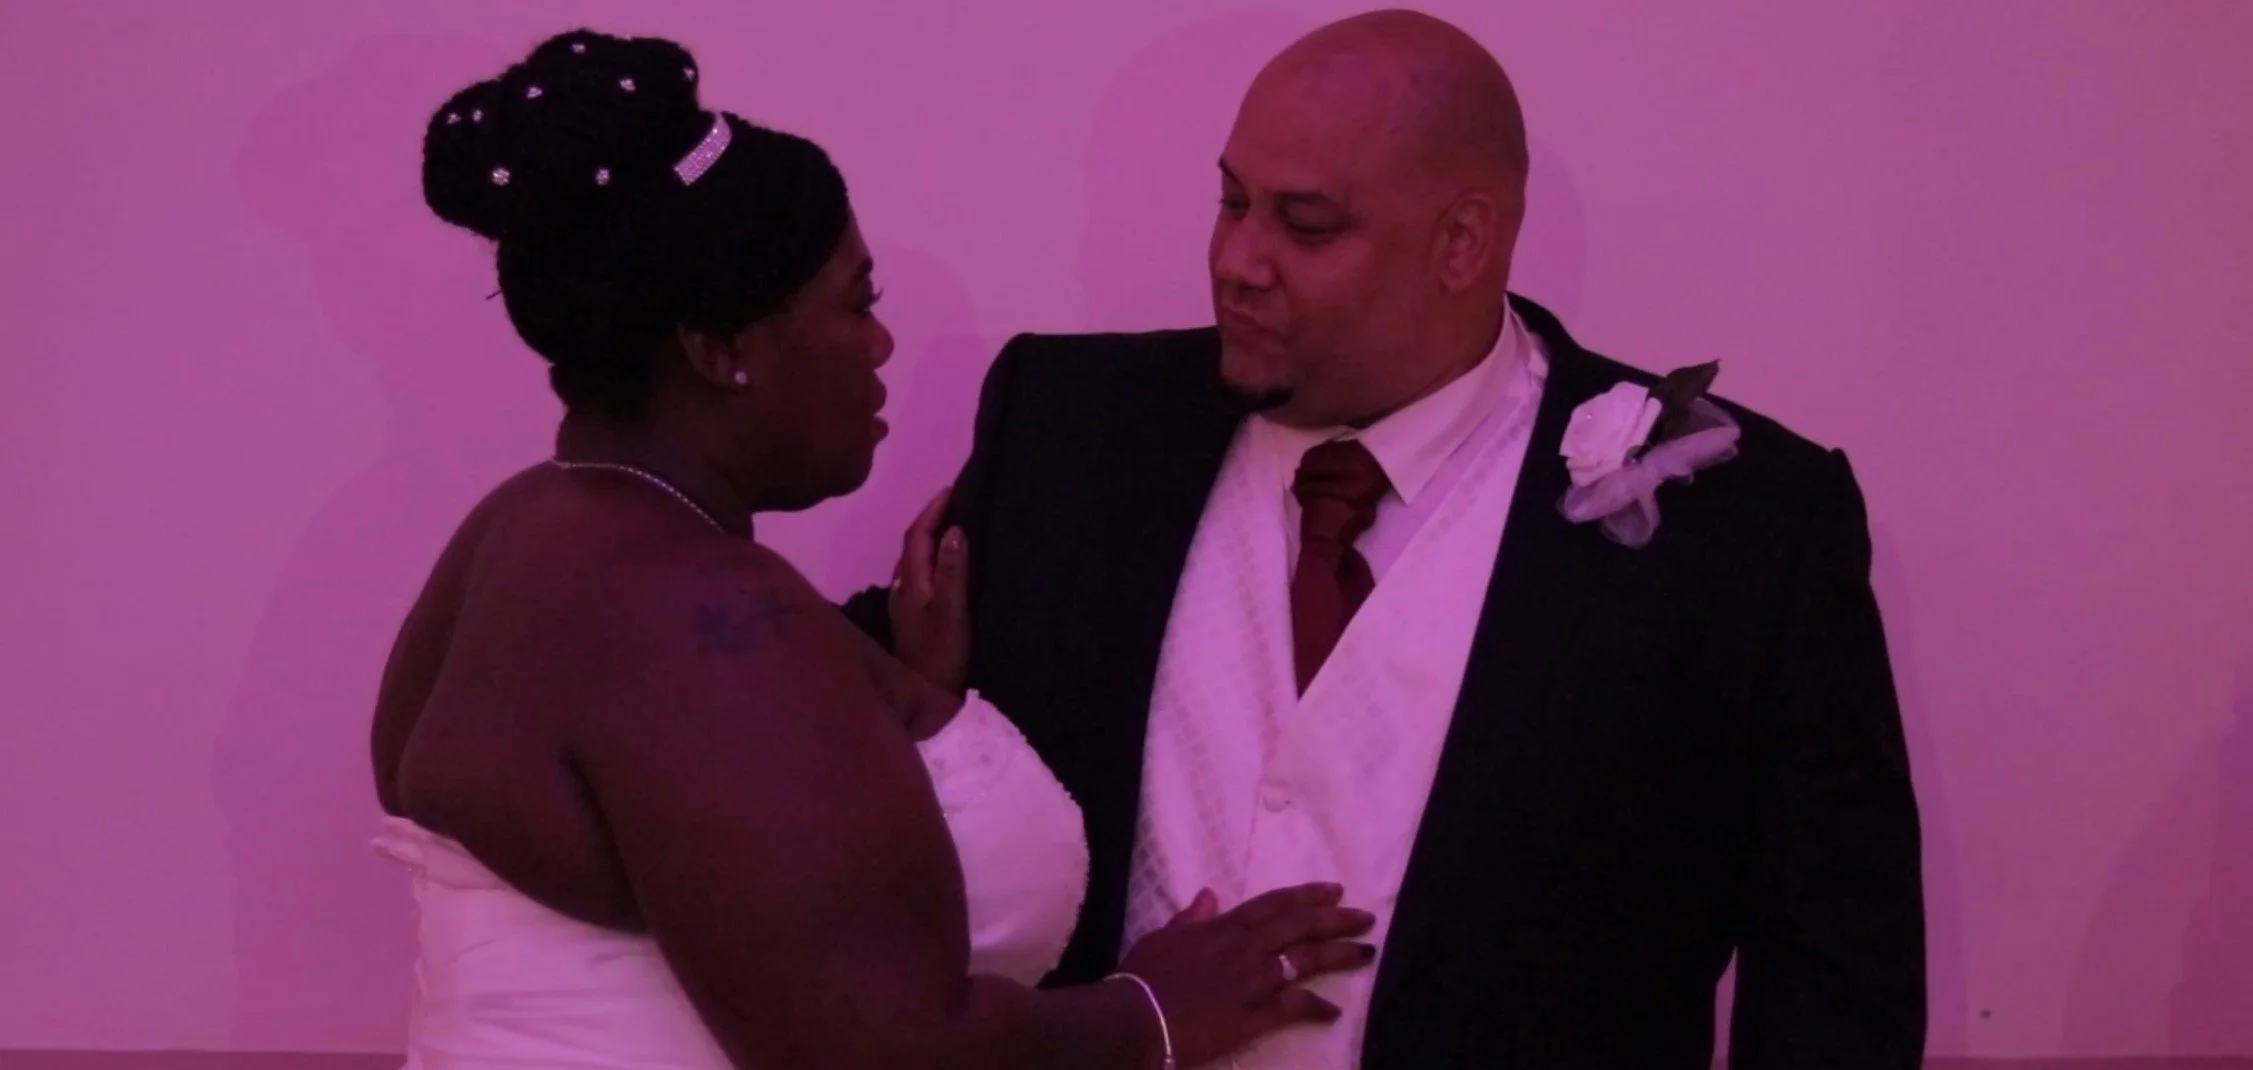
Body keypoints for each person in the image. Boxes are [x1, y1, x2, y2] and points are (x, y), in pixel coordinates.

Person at [857, 10, 1927, 1068]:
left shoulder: (1746, 526)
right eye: (1231, 201)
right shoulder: (1073, 429)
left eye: (1305, 225)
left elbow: (1835, 968)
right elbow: (825, 705)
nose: (1237, 259)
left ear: (1461, 240)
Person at [371, 28, 1378, 1070]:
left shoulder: (518, 529)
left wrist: (888, 700)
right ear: (721, 351)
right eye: (857, 302)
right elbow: (874, 1047)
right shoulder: (704, 618)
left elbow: (692, 839)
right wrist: (1154, 1011)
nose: (881, 343)